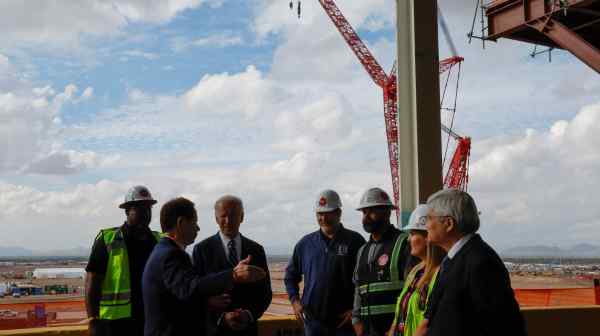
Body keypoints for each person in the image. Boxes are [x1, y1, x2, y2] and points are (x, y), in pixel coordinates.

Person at [142, 197, 266, 336]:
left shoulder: (164, 251)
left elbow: (184, 296)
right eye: (194, 222)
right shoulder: (171, 255)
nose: (198, 228)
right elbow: (189, 288)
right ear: (181, 223)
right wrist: (233, 275)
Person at [415, 189, 526, 336]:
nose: (425, 225)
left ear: (448, 224)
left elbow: (503, 325)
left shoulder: (481, 262)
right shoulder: (452, 259)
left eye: (428, 218)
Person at [285, 190, 366, 336]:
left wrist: (355, 311)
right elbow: (290, 276)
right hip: (313, 323)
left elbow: (367, 280)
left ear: (338, 213)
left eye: (327, 213)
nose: (323, 218)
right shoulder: (305, 244)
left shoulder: (355, 241)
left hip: (345, 324)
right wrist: (295, 302)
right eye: (319, 214)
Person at [85, 185, 161, 336]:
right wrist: (93, 320)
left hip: (150, 320)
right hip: (114, 324)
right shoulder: (108, 239)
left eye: (148, 208)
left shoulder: (159, 241)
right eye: (139, 208)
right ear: (127, 211)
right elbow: (92, 282)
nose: (145, 213)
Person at [192, 195, 272, 336]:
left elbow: (265, 293)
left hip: (247, 330)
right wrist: (221, 317)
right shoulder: (202, 250)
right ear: (216, 219)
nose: (228, 221)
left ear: (242, 217)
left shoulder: (256, 250)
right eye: (223, 216)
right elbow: (194, 294)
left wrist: (248, 315)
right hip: (214, 330)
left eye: (233, 215)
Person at [352, 187, 416, 336]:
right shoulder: (362, 250)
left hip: (393, 329)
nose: (366, 216)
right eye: (364, 212)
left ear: (387, 212)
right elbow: (358, 288)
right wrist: (356, 321)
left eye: (372, 211)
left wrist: (398, 326)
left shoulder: (403, 243)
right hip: (367, 330)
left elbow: (412, 291)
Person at [387, 205, 445, 336]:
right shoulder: (415, 271)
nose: (408, 239)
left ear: (427, 238)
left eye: (412, 234)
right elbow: (399, 314)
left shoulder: (441, 274)